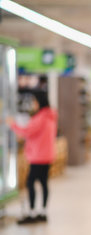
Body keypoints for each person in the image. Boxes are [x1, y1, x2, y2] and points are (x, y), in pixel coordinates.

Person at [6, 91, 58, 224]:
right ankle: (43, 212)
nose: (33, 104)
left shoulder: (40, 117)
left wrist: (12, 124)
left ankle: (33, 212)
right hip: (47, 155)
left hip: (38, 156)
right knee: (43, 183)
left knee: (31, 183)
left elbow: (26, 132)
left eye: (34, 101)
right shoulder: (50, 116)